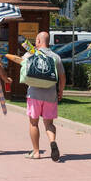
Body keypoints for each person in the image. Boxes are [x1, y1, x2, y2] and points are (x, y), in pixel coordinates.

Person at [24, 31, 65, 161]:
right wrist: (60, 91)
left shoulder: (31, 54)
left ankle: (36, 152)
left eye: (36, 41)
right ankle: (52, 141)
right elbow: (62, 77)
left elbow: (23, 67)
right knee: (49, 124)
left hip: (34, 94)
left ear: (39, 41)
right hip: (50, 94)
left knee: (33, 123)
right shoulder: (56, 57)